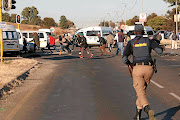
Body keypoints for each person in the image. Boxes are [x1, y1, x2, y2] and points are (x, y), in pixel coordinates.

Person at [122, 24, 163, 120]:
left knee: (139, 91)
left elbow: (124, 58)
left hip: (137, 68)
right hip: (149, 68)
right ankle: (137, 115)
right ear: (143, 31)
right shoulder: (149, 41)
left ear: (135, 32)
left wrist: (129, 63)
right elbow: (159, 51)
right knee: (141, 91)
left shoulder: (131, 42)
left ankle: (147, 108)